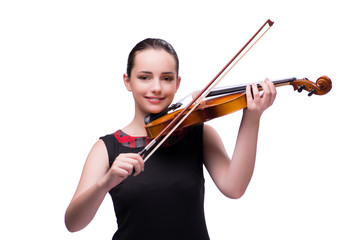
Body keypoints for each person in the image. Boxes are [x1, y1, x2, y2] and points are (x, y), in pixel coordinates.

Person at [65, 38, 276, 239]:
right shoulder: (107, 148)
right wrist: (105, 182)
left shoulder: (199, 134)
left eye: (166, 78)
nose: (156, 87)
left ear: (177, 83)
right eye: (144, 77)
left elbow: (234, 188)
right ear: (127, 81)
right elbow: (73, 224)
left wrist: (252, 116)